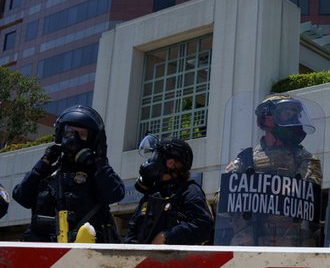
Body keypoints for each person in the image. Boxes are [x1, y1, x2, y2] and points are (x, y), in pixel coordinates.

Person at [12, 105, 124, 242]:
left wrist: (101, 160)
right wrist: (43, 163)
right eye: (69, 132)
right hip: (44, 255)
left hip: (87, 255)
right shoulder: (47, 173)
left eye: (81, 134)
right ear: (60, 134)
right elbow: (21, 197)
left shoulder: (98, 174)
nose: (73, 139)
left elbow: (115, 194)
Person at [223, 94, 322, 246]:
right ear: (267, 119)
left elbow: (308, 196)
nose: (294, 120)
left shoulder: (305, 159)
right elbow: (222, 200)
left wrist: (259, 188)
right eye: (287, 114)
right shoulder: (245, 160)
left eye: (296, 115)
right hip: (249, 244)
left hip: (291, 244)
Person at [125, 136, 213, 245]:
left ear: (170, 163)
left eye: (156, 155)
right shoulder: (151, 194)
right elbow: (132, 232)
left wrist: (166, 236)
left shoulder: (189, 191)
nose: (150, 160)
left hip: (173, 260)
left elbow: (203, 225)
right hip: (141, 260)